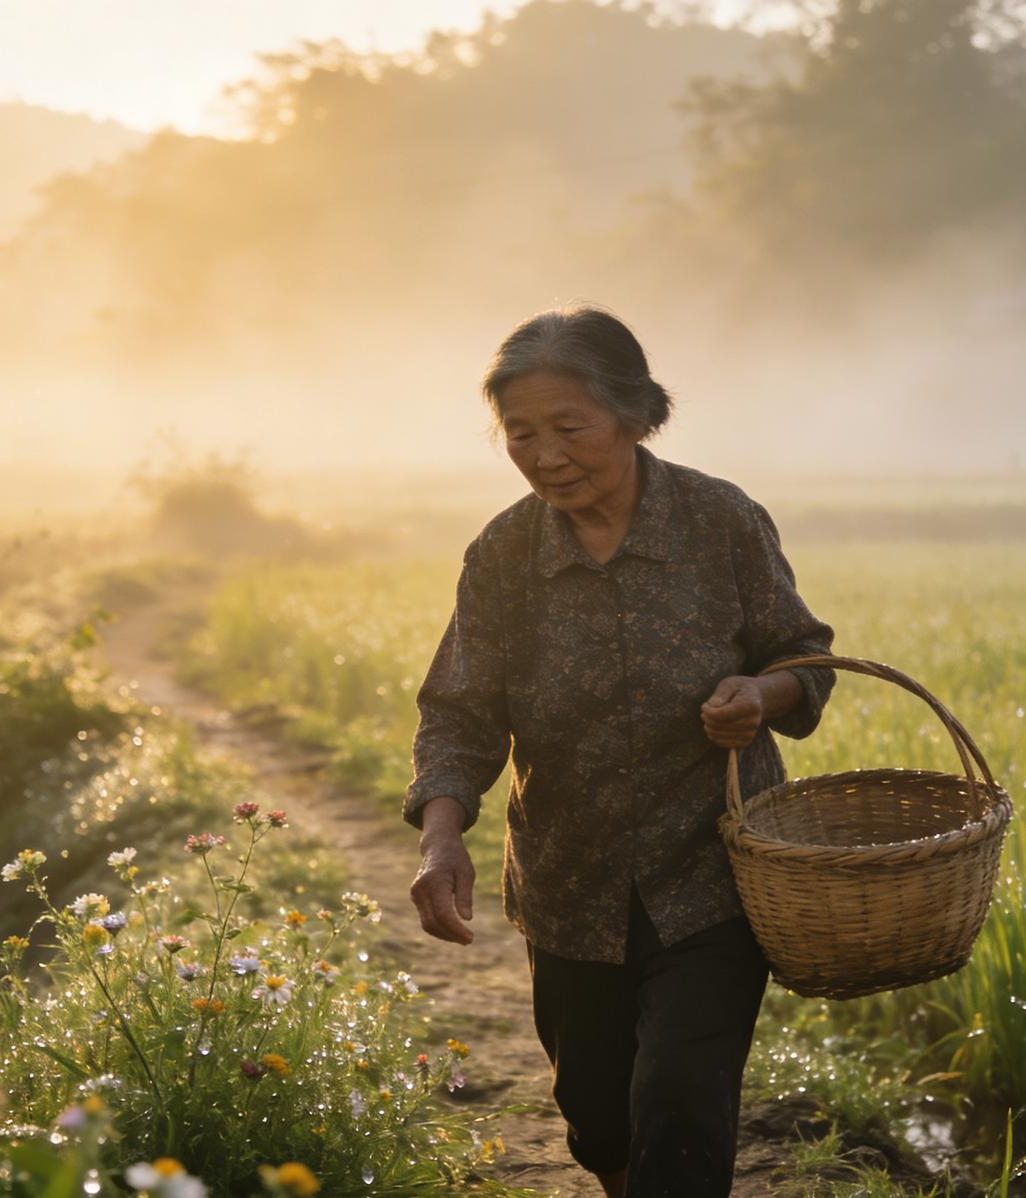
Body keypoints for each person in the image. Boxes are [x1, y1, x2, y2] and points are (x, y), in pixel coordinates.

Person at [404, 305, 835, 1198]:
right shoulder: (504, 555)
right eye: (520, 433)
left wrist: (761, 693)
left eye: (569, 428)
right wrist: (442, 837)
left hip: (713, 874)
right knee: (599, 1115)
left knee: (683, 1100)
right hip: (570, 882)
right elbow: (460, 711)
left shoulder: (720, 521)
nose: (545, 454)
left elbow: (805, 656)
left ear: (637, 416)